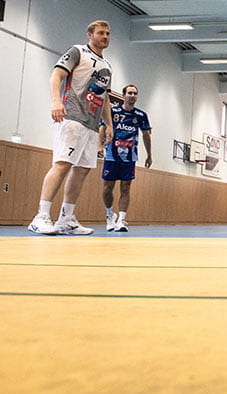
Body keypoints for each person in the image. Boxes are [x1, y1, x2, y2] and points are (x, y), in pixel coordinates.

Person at [27, 20, 113, 235]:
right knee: (62, 164)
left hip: (92, 125)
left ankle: (66, 219)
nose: (105, 36)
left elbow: (106, 99)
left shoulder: (108, 66)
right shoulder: (77, 52)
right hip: (72, 117)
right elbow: (56, 75)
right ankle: (41, 216)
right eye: (101, 33)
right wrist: (57, 102)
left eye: (108, 33)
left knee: (82, 170)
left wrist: (109, 124)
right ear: (90, 34)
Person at [99, 84, 152, 233]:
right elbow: (102, 127)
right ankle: (110, 215)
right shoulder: (112, 111)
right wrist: (99, 146)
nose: (132, 95)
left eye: (135, 93)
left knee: (126, 187)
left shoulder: (141, 116)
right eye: (129, 93)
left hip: (129, 157)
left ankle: (121, 219)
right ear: (123, 95)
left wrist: (149, 155)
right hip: (111, 155)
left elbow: (146, 135)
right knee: (108, 187)